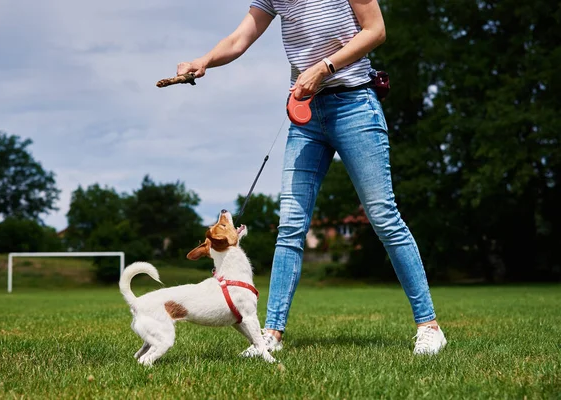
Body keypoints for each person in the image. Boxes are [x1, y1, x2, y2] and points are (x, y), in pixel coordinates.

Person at [177, 0, 447, 356]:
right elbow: (241, 37)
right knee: (289, 225)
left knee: (383, 217)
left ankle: (429, 326)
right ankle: (270, 335)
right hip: (306, 116)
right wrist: (204, 61)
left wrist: (324, 67)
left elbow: (376, 30)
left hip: (354, 105)